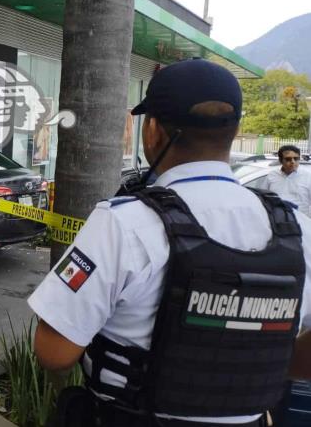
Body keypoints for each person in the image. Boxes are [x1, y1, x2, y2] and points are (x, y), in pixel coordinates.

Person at [28, 59, 311, 427]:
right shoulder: (297, 230)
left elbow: (54, 351)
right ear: (235, 130)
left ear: (153, 132)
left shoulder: (124, 223)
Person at [261, 145, 311, 216]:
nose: (293, 162)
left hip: (301, 223)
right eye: (288, 159)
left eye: (296, 158)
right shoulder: (272, 176)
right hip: (277, 222)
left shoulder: (308, 177)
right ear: (281, 160)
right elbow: (263, 198)